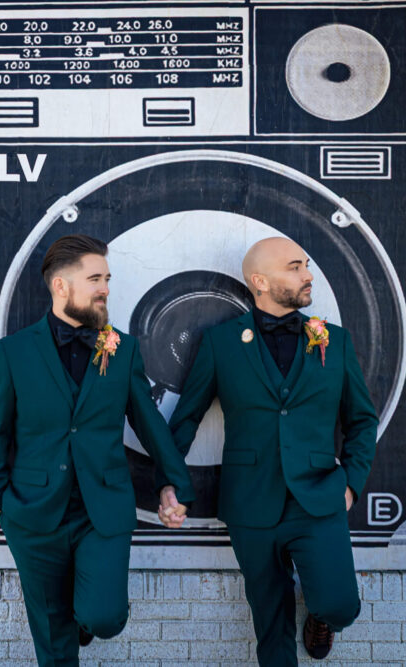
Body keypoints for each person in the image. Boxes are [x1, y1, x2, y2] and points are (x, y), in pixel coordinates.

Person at [159, 236, 378, 664]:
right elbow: (185, 419)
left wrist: (350, 484)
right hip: (250, 503)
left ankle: (320, 617)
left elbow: (362, 420)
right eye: (295, 267)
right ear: (260, 281)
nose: (308, 274)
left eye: (306, 264)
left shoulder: (335, 341)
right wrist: (169, 482)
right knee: (270, 623)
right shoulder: (222, 343)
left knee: (340, 605)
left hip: (318, 498)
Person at [0, 234, 193, 667]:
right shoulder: (14, 353)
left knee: (105, 616)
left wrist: (172, 484)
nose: (105, 288)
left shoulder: (123, 348)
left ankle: (85, 616)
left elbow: (148, 424)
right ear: (61, 286)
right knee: (54, 645)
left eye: (107, 278)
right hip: (33, 512)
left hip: (104, 508)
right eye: (95, 278)